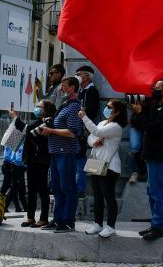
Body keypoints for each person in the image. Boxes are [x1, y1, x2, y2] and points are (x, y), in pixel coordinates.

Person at [130, 80, 163, 240]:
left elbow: (153, 128)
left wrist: (140, 114)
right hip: (151, 153)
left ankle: (159, 226)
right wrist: (139, 111)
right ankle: (155, 224)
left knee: (157, 191)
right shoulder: (157, 106)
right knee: (151, 190)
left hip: (159, 153)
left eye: (157, 88)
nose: (153, 90)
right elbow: (143, 123)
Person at [39, 75, 83, 233]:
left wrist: (51, 130)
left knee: (68, 187)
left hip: (66, 153)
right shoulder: (64, 105)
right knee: (57, 187)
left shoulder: (75, 107)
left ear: (72, 88)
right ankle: (58, 219)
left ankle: (68, 221)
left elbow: (72, 132)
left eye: (64, 86)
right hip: (56, 152)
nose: (61, 89)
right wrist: (51, 122)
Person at [81, 98, 127, 238]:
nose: (106, 108)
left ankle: (111, 226)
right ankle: (98, 223)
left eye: (109, 107)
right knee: (97, 196)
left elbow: (96, 131)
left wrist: (84, 118)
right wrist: (95, 140)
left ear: (117, 111)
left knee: (109, 196)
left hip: (110, 166)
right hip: (97, 163)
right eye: (106, 105)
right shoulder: (102, 123)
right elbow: (91, 138)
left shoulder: (116, 126)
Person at [11, 101, 54, 227]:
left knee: (42, 190)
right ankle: (30, 217)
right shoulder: (39, 121)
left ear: (46, 109)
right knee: (31, 189)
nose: (36, 108)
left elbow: (29, 131)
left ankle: (44, 218)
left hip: (41, 160)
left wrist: (15, 118)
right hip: (32, 160)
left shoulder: (48, 121)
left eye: (39, 106)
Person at [74, 65, 101, 200]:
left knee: (85, 159)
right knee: (80, 159)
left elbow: (92, 111)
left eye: (80, 74)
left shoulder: (91, 91)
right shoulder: (81, 91)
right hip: (83, 129)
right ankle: (79, 187)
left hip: (88, 130)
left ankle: (81, 189)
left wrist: (81, 113)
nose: (77, 76)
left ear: (88, 76)